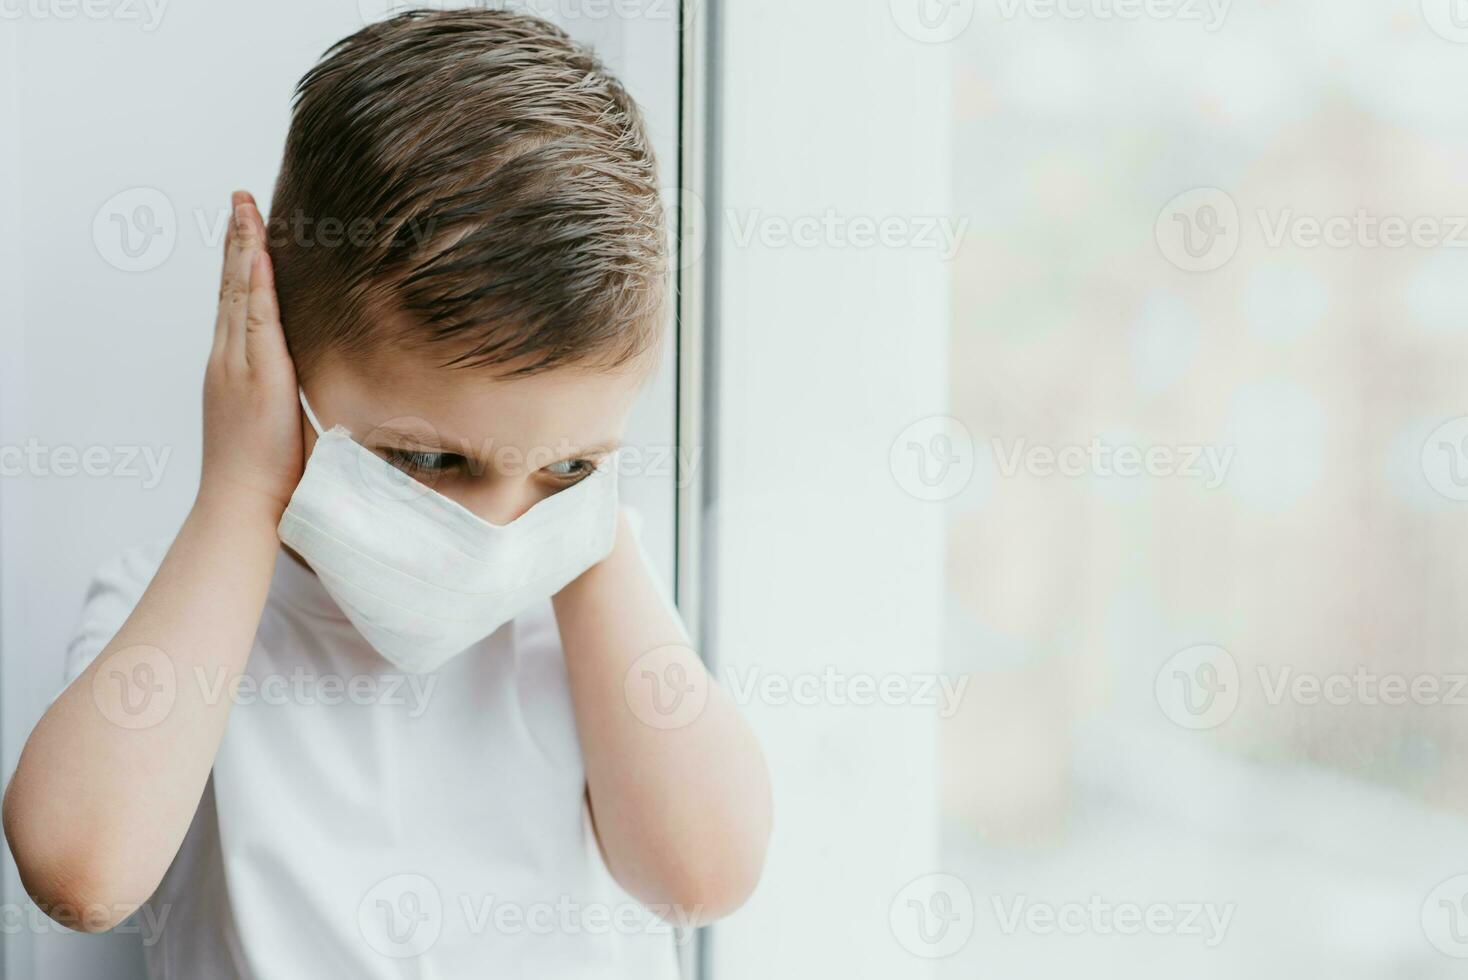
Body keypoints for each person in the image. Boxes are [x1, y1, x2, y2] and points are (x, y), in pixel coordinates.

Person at [2, 10, 771, 977]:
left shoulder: (590, 606)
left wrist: (588, 530)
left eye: (565, 466)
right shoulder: (192, 607)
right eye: (430, 463)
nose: (494, 526)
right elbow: (82, 871)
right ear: (282, 360)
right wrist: (242, 487)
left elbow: (702, 878)